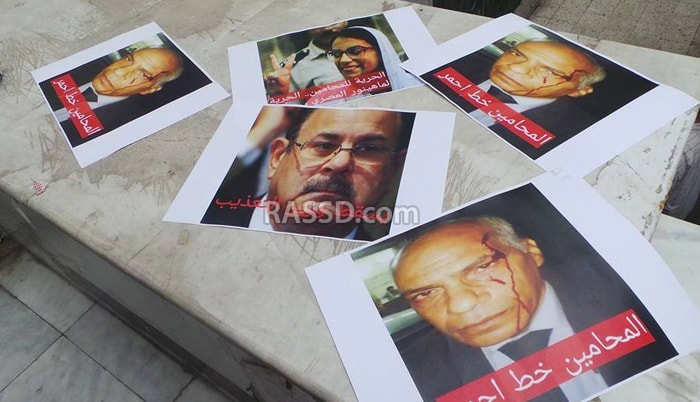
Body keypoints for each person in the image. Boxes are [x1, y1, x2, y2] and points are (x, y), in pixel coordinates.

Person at [391, 216, 675, 401]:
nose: (461, 304)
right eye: (425, 293)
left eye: (482, 267)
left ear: (532, 253)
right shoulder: (414, 380)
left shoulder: (637, 290)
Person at [202, 107, 414, 241]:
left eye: (367, 149)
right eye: (324, 145)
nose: (340, 163)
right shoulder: (205, 220)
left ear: (393, 171)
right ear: (277, 158)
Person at [430, 40, 607, 159]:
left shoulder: (569, 137)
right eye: (517, 54)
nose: (517, 69)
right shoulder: (457, 62)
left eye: (551, 72)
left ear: (579, 91)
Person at [48, 47, 184, 145]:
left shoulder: (121, 130)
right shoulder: (72, 63)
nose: (118, 71)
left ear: (150, 89)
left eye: (143, 74)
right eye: (128, 59)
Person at [263, 21, 348, 97]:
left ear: (345, 22)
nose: (327, 28)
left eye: (333, 22)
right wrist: (280, 96)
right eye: (318, 24)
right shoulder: (293, 66)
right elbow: (292, 107)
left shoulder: (357, 45)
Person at [328, 26, 419, 93]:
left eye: (355, 51)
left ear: (380, 51)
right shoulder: (334, 98)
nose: (343, 60)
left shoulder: (416, 83)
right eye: (336, 54)